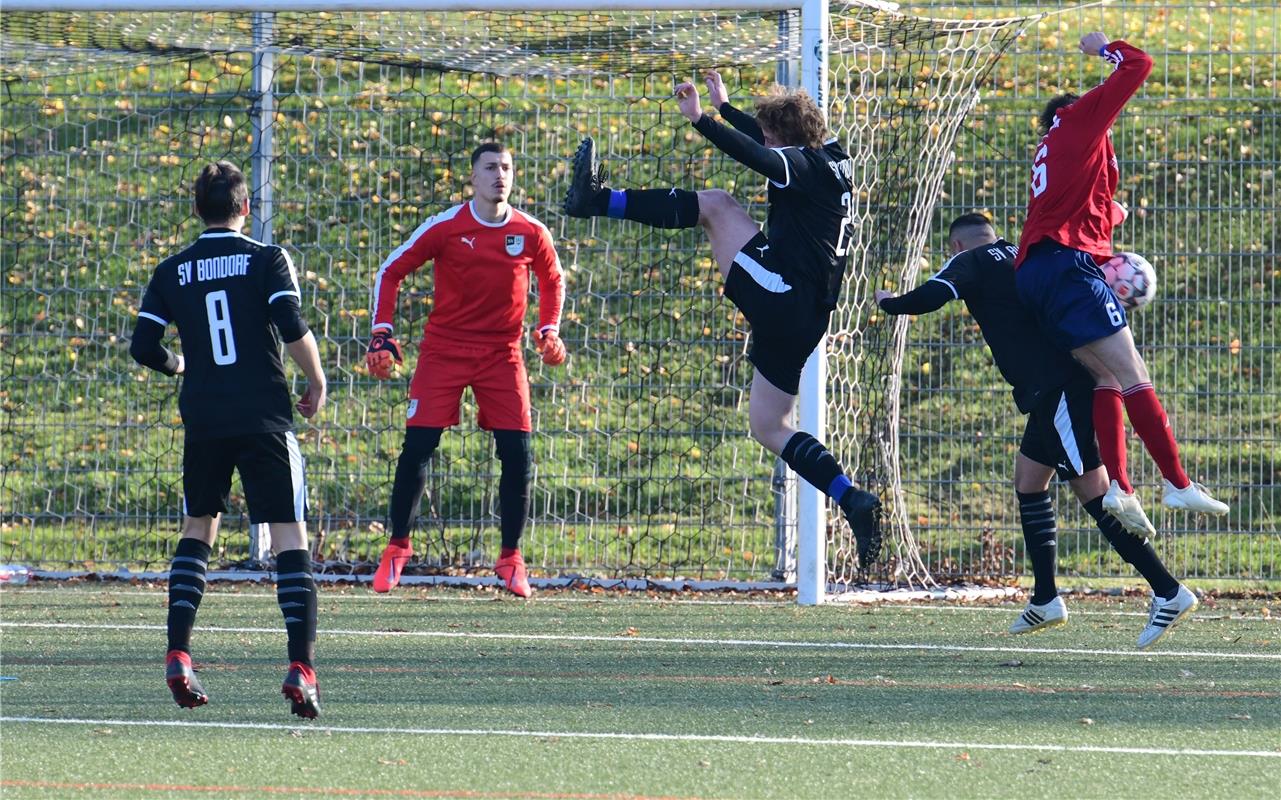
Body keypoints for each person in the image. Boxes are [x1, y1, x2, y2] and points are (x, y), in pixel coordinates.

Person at [562, 71, 882, 564]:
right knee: (770, 425)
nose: (768, 141)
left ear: (788, 143)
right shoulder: (833, 156)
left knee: (716, 205)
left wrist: (702, 120)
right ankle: (850, 497)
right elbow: (768, 143)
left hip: (784, 294)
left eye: (773, 136)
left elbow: (758, 154)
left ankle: (597, 200)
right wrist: (729, 110)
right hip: (807, 315)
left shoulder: (799, 165)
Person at [877, 214, 1197, 647]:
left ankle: (1168, 590)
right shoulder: (1022, 253)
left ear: (955, 245)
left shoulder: (969, 262)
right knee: (1029, 481)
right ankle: (1046, 598)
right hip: (1055, 389)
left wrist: (889, 301)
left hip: (1062, 390)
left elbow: (930, 296)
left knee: (1095, 494)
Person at [130, 161, 326, 717]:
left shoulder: (173, 269)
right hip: (264, 417)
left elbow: (143, 346)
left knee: (198, 530)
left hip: (206, 421)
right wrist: (316, 379)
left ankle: (179, 654)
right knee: (290, 537)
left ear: (198, 210)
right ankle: (301, 668)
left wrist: (181, 365)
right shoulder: (266, 258)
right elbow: (290, 323)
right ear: (246, 208)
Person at [1013, 33, 1228, 538]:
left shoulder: (1052, 148)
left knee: (1106, 378)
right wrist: (1102, 47)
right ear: (1078, 109)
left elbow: (1079, 211)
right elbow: (1139, 64)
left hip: (1038, 276)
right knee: (1134, 372)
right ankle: (1177, 482)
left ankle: (1122, 488)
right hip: (1067, 271)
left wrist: (1109, 221)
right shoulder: (1081, 120)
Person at [367, 142, 565, 598]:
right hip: (445, 349)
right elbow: (391, 270)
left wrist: (548, 329)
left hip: (503, 352)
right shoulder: (446, 227)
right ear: (472, 178)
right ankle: (397, 549)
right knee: (418, 445)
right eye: (491, 167)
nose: (500, 175)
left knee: (517, 453)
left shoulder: (531, 231)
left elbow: (553, 280)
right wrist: (382, 331)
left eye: (507, 168)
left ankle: (511, 559)